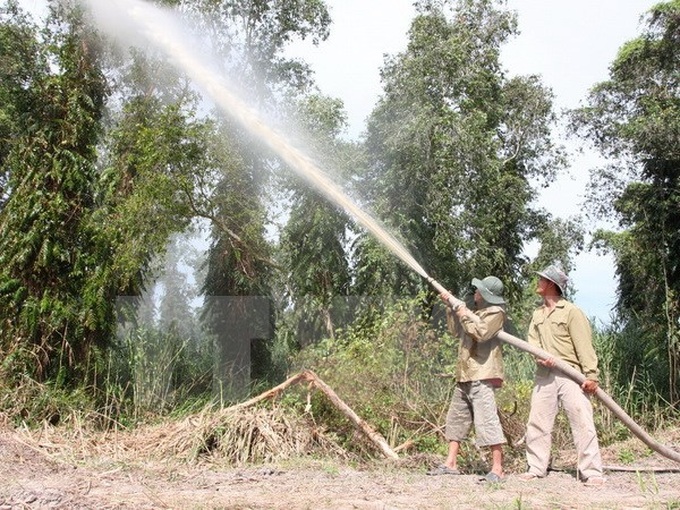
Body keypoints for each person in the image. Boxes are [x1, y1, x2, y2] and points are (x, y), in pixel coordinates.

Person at [519, 264, 606, 487]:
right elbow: (532, 343)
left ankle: (592, 471)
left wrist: (591, 376)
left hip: (571, 376)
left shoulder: (571, 312)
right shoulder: (537, 314)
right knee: (537, 422)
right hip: (545, 375)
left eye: (541, 280)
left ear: (551, 284)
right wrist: (538, 357)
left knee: (582, 421)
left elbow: (584, 345)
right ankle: (536, 467)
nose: (538, 283)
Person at [428, 276, 507, 482]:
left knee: (487, 421)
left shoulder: (495, 313)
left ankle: (497, 469)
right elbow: (456, 331)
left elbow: (480, 333)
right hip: (465, 374)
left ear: (487, 295)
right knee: (456, 420)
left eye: (479, 290)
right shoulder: (476, 313)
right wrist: (451, 309)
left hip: (482, 375)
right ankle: (450, 463)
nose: (475, 292)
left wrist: (463, 313)